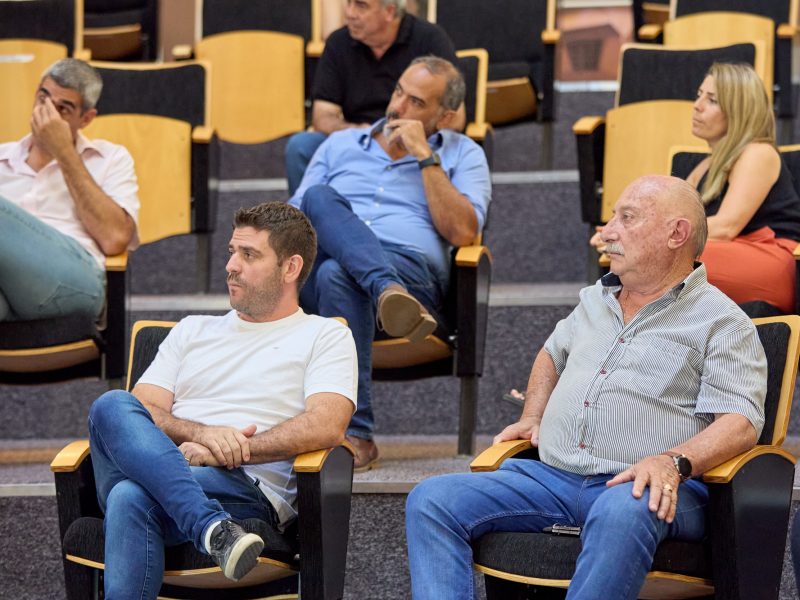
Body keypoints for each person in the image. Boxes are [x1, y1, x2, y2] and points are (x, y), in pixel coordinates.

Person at [407, 175, 767, 599]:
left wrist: (673, 462)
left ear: (676, 234)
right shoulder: (595, 299)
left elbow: (741, 423)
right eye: (612, 217)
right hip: (553, 478)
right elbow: (551, 354)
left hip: (653, 486)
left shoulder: (722, 321)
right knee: (432, 499)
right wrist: (533, 415)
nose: (607, 231)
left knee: (624, 507)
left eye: (626, 218)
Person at [87, 202, 357, 598]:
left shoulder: (325, 336)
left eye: (249, 255)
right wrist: (203, 435)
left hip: (244, 487)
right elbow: (141, 410)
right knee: (111, 405)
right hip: (169, 461)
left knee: (129, 495)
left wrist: (227, 452)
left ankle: (209, 524)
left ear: (290, 267)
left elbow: (327, 425)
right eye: (232, 252)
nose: (231, 265)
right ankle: (213, 529)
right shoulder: (191, 330)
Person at [289, 56, 491, 470]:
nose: (398, 107)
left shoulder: (464, 154)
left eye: (416, 102)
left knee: (338, 276)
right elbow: (291, 221)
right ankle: (384, 289)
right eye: (399, 91)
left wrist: (425, 157)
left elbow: (463, 232)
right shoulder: (340, 144)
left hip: (411, 275)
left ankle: (355, 432)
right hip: (335, 265)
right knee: (318, 199)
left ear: (445, 116)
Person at [591, 62, 800, 314]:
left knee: (661, 255)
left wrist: (642, 239)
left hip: (771, 260)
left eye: (711, 100)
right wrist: (624, 231)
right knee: (645, 256)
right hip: (725, 251)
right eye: (699, 95)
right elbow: (670, 220)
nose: (697, 105)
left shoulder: (758, 153)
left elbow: (726, 226)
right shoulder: (702, 166)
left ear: (739, 110)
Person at [0, 58, 139, 322]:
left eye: (62, 109)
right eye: (43, 99)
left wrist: (63, 150)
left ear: (86, 118)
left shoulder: (110, 158)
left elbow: (115, 238)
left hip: (75, 283)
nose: (47, 115)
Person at [284, 0, 460, 195]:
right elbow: (322, 116)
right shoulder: (338, 42)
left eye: (361, 6)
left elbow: (456, 118)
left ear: (389, 11)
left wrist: (415, 140)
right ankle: (303, 213)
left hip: (415, 141)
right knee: (301, 146)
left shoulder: (430, 39)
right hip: (357, 139)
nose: (349, 13)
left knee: (454, 149)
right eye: (348, 3)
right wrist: (365, 133)